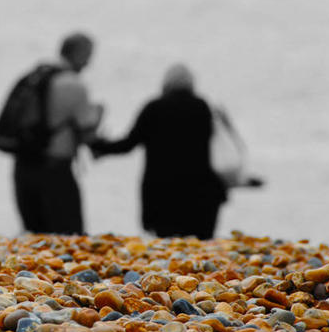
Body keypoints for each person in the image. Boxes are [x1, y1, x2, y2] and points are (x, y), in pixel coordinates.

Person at [90, 64, 227, 240]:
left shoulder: (154, 108)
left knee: (166, 247)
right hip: (199, 193)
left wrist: (98, 144)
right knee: (200, 249)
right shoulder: (202, 107)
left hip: (162, 193)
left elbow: (128, 144)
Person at [0, 33, 103, 235]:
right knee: (70, 238)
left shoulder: (33, 76)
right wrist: (99, 115)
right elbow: (88, 132)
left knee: (36, 238)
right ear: (78, 54)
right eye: (88, 55)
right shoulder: (74, 85)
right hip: (55, 171)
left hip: (23, 167)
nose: (89, 63)